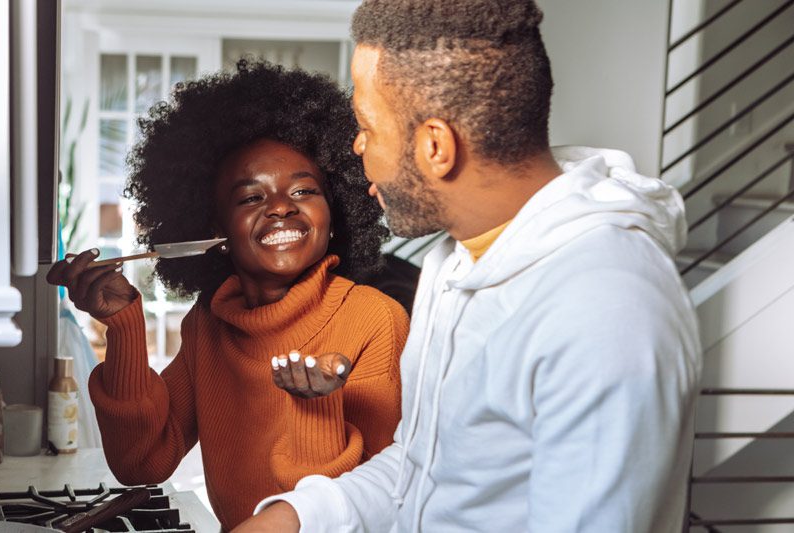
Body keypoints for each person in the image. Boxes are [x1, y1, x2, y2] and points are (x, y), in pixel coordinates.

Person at [235, 1, 703, 532]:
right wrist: (295, 517)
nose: (358, 145)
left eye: (367, 125)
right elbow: (426, 471)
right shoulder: (453, 260)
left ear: (436, 146)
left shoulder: (607, 310)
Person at [46, 60, 409, 531]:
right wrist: (124, 325)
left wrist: (314, 406)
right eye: (251, 197)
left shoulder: (373, 318)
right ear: (216, 229)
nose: (281, 207)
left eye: (304, 189)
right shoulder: (209, 324)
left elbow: (378, 501)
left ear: (335, 210)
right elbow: (143, 463)